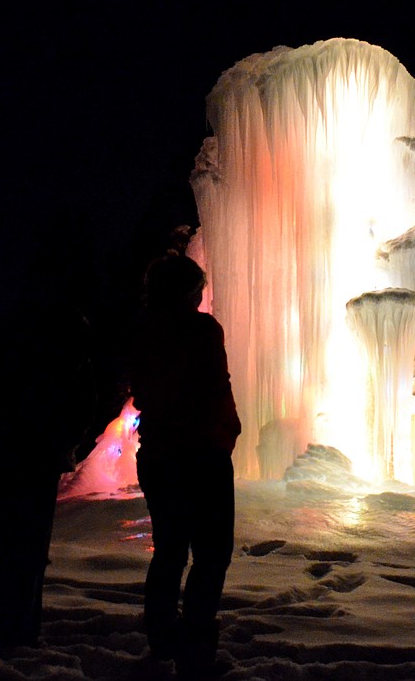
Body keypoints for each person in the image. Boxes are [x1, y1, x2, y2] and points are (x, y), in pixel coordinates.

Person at [128, 254, 242, 678]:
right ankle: (195, 643)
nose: (201, 294)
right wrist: (227, 432)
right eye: (197, 287)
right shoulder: (201, 330)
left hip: (158, 457)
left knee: (170, 550)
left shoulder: (143, 332)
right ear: (185, 291)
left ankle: (162, 638)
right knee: (212, 552)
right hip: (201, 457)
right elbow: (214, 387)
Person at [0, 284, 95, 649]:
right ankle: (19, 628)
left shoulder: (17, 352)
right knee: (28, 545)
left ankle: (5, 624)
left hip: (15, 453)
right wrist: (68, 440)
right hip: (38, 455)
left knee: (10, 545)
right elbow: (81, 404)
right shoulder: (63, 359)